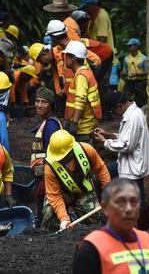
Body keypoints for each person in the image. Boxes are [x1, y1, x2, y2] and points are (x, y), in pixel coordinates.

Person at [73, 178, 149, 274]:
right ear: (105, 208)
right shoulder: (91, 249)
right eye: (120, 202)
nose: (129, 209)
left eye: (134, 202)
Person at [94, 91, 149, 229]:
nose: (114, 114)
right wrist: (110, 135)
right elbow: (127, 136)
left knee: (138, 200)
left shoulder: (133, 118)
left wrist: (105, 142)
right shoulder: (132, 114)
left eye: (113, 111)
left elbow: (127, 145)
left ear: (119, 106)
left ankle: (144, 229)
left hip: (134, 167)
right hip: (129, 164)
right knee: (108, 172)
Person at [42, 130, 110, 230]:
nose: (59, 160)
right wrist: (64, 218)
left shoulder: (87, 150)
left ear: (71, 151)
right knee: (49, 213)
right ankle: (53, 234)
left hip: (83, 191)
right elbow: (54, 195)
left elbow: (101, 170)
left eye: (62, 157)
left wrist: (108, 194)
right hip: (61, 193)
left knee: (97, 221)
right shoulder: (50, 167)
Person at [31, 87, 62, 224]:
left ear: (51, 105)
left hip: (47, 174)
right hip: (42, 173)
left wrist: (45, 181)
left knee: (45, 205)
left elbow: (53, 155)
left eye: (44, 102)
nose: (39, 105)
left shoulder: (51, 126)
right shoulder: (46, 122)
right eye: (37, 101)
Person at [62, 41, 102, 143]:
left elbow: (81, 100)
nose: (64, 59)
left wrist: (74, 123)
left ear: (73, 58)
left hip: (84, 126)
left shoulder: (81, 76)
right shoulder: (86, 72)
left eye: (66, 56)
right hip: (87, 123)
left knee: (84, 153)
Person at [122, 38, 148, 107]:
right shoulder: (126, 58)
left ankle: (142, 114)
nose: (129, 47)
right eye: (129, 46)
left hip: (140, 82)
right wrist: (124, 74)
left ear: (136, 47)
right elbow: (124, 71)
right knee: (125, 97)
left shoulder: (143, 58)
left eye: (131, 46)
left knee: (141, 100)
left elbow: (148, 72)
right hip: (129, 81)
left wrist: (136, 74)